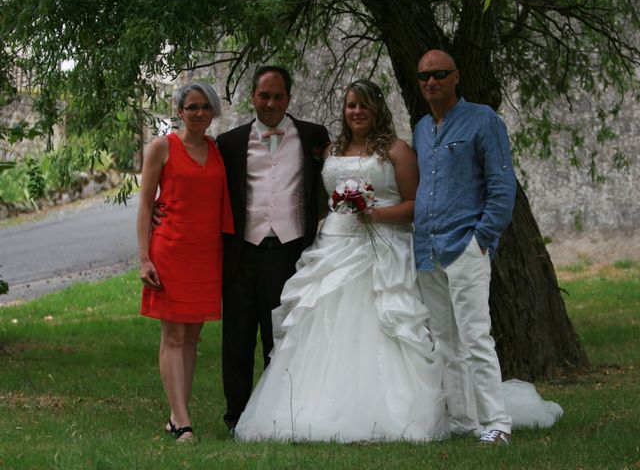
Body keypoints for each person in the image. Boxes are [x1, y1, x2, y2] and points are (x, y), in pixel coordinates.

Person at [234, 79, 450, 442]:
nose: (357, 112)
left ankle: (389, 410)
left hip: (381, 249)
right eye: (351, 105)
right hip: (334, 244)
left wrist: (375, 214)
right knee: (323, 321)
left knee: (378, 325)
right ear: (344, 111)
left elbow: (416, 207)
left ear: (377, 109)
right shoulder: (333, 148)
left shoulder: (397, 151)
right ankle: (313, 408)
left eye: (364, 105)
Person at [215, 66, 331, 432]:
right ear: (252, 97)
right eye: (264, 95)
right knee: (237, 339)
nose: (270, 103)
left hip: (289, 250)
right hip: (242, 252)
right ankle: (236, 418)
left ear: (289, 99)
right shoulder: (230, 142)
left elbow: (329, 184)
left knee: (280, 336)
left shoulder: (314, 136)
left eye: (278, 96)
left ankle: (276, 415)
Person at [412, 49, 517, 444]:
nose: (431, 82)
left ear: (456, 77)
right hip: (428, 250)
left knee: (475, 337)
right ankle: (462, 419)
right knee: (445, 342)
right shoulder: (422, 127)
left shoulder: (483, 120)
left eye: (439, 74)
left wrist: (482, 239)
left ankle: (497, 423)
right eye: (424, 77)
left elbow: (503, 186)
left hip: (465, 246)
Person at [137, 82, 233, 442]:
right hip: (171, 250)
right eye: (191, 107)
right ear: (178, 111)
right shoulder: (161, 147)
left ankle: (177, 413)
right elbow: (147, 205)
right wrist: (143, 257)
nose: (198, 113)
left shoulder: (217, 149)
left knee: (193, 334)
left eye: (205, 107)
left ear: (213, 112)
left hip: (207, 252)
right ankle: (182, 420)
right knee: (173, 333)